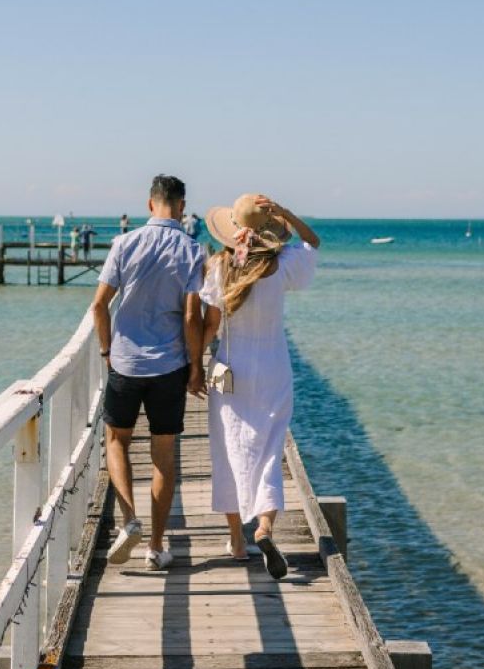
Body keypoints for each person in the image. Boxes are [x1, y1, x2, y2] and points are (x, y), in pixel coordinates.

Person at [199, 193, 319, 579]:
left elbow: (210, 324)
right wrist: (285, 212)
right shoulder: (280, 264)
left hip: (230, 367)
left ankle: (237, 541)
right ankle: (265, 528)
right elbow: (312, 242)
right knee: (269, 449)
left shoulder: (220, 267)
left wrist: (194, 367)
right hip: (272, 367)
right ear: (269, 231)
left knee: (229, 447)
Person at [90, 175, 206, 571]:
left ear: (150, 204)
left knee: (117, 440)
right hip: (170, 365)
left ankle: (129, 521)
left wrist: (107, 350)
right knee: (164, 457)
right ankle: (155, 547)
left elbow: (99, 305)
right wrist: (197, 367)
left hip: (125, 361)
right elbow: (192, 316)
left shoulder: (124, 243)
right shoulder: (193, 250)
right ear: (182, 206)